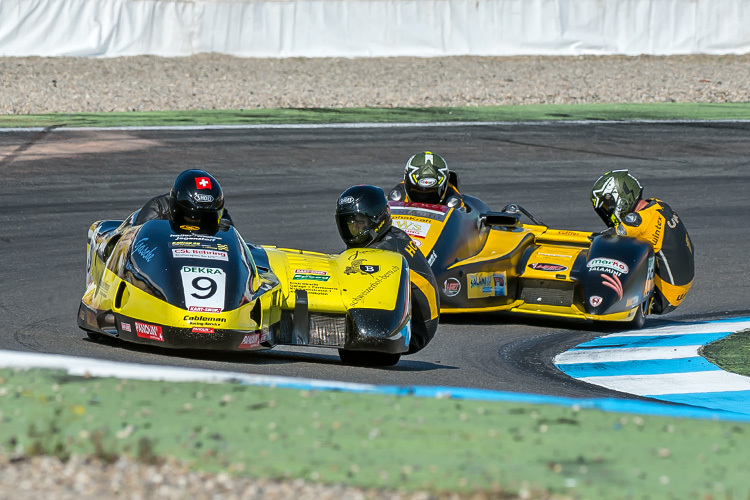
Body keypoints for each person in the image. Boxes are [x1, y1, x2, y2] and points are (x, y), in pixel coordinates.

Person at [335, 185, 440, 354]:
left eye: (360, 223)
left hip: (415, 329)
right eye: (349, 223)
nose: (353, 230)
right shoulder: (389, 235)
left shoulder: (386, 249)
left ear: (377, 219)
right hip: (406, 319)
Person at [590, 169, 694, 314]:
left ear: (620, 198)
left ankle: (597, 301)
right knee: (633, 246)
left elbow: (603, 239)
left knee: (606, 252)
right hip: (679, 288)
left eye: (608, 207)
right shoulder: (659, 205)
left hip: (662, 297)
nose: (608, 213)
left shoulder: (639, 221)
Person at [134, 169, 233, 234]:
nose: (196, 221)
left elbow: (237, 248)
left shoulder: (220, 215)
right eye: (190, 217)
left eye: (205, 217)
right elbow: (135, 242)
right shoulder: (157, 210)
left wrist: (221, 233)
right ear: (177, 208)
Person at [387, 151, 464, 208]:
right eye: (418, 193)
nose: (423, 201)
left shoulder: (453, 199)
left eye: (431, 194)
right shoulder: (395, 196)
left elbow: (464, 218)